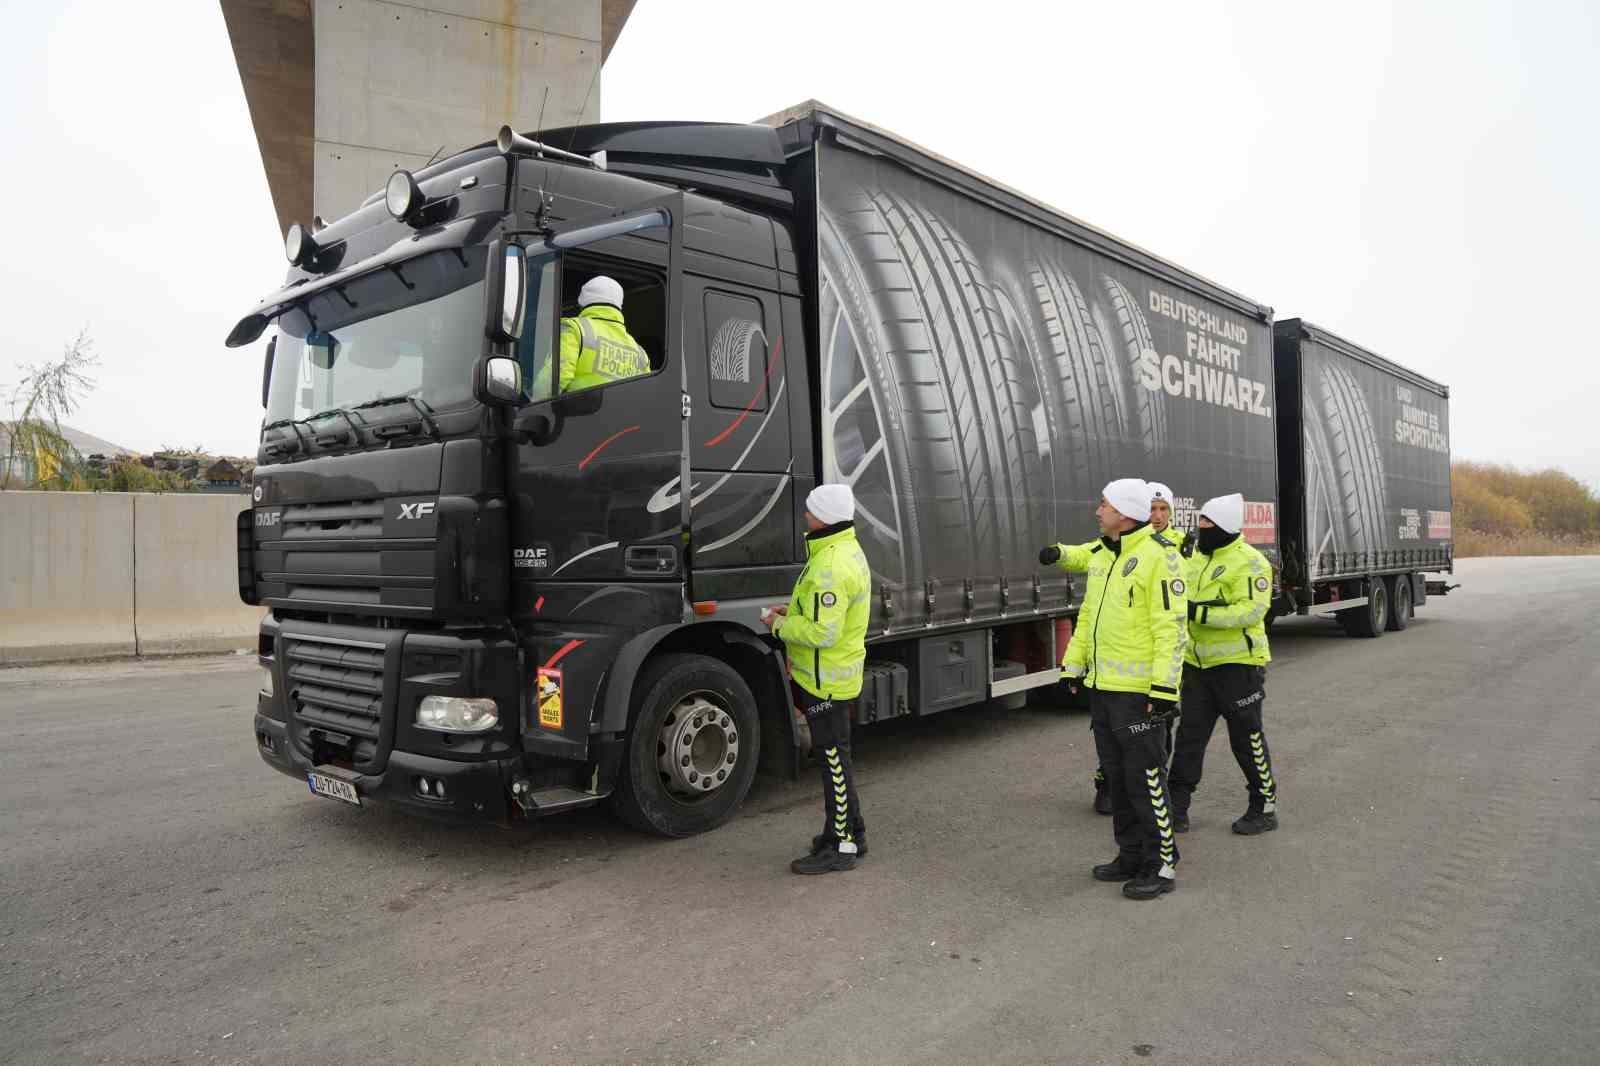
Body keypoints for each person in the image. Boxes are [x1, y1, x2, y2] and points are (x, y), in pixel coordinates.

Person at [1055, 478, 1188, 900]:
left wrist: (1164, 689)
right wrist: (1073, 667)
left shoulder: (1159, 558)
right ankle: (1130, 854)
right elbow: (1088, 618)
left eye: (1104, 505)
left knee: (1145, 779)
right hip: (1105, 688)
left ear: (1125, 514)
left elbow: (1171, 629)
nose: (1098, 511)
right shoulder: (1104, 557)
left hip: (1138, 694)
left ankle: (1161, 863)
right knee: (1117, 778)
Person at [766, 484, 873, 875]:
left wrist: (778, 624)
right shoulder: (843, 550)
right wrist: (792, 612)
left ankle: (841, 847)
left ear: (824, 518)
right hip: (833, 675)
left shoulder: (830, 565)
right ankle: (850, 832)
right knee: (836, 759)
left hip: (825, 680)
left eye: (810, 511)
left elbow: (822, 632)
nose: (805, 516)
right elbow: (822, 615)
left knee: (833, 763)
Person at [1168, 493, 1280, 836]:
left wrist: (1199, 613)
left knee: (1247, 740)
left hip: (1238, 668)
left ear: (1225, 526)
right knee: (1189, 739)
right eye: (1200, 521)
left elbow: (1252, 611)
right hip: (1197, 666)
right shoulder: (1194, 558)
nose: (1201, 527)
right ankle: (1176, 808)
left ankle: (1264, 807)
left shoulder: (1251, 563)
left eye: (1208, 523)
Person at [532, 275, 651, 395]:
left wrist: (534, 399)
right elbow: (646, 395)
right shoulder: (640, 354)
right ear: (619, 305)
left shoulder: (575, 329)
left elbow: (553, 380)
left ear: (582, 303)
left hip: (578, 407)